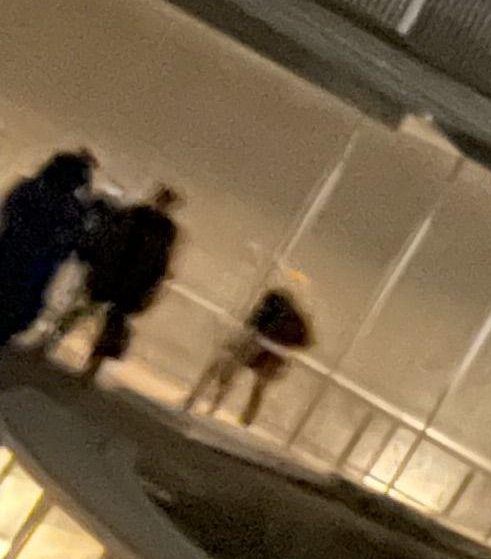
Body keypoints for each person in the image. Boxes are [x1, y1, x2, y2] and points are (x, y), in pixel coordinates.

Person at [62, 183, 181, 380]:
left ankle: (90, 366)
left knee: (106, 320)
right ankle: (75, 357)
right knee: (92, 313)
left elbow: (159, 261)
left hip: (128, 279)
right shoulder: (145, 219)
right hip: (120, 274)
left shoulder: (150, 222)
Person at [0, 150, 102, 351]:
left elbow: (9, 211)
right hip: (35, 266)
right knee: (16, 312)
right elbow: (74, 241)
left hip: (11, 252)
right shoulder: (71, 208)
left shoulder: (32, 188)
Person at [187, 274, 314, 428]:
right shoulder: (297, 316)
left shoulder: (275, 301)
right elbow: (305, 342)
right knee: (258, 387)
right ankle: (243, 419)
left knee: (228, 368)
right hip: (273, 354)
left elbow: (253, 322)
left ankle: (202, 400)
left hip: (260, 346)